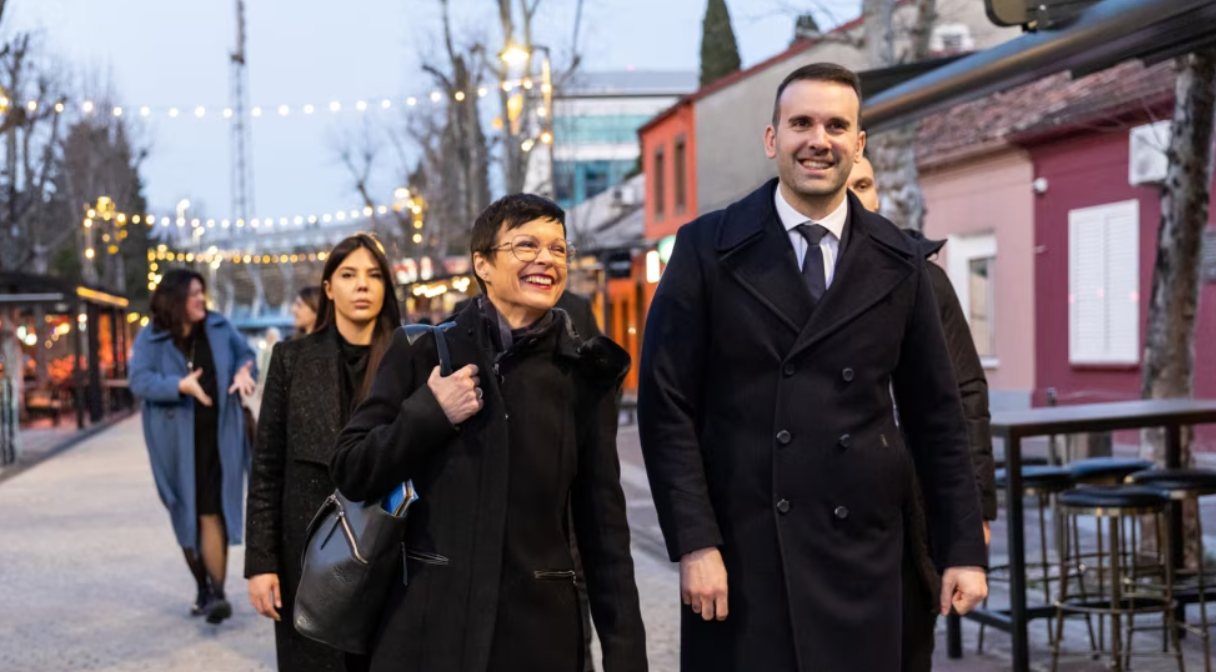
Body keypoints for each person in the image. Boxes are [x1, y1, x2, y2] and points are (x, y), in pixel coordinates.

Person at [637, 62, 988, 672]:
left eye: (835, 125)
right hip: (744, 558)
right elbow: (666, 405)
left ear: (858, 143)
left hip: (868, 556)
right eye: (801, 123)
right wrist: (695, 542)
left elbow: (937, 414)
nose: (817, 140)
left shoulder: (898, 260)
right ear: (773, 139)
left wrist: (961, 549)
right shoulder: (707, 248)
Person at [330, 194, 647, 672]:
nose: (546, 259)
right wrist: (429, 413)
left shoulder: (582, 375)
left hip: (540, 639)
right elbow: (351, 468)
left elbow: (603, 528)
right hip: (426, 635)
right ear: (483, 263)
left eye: (558, 249)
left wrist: (626, 658)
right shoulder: (423, 352)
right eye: (526, 246)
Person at [848, 154, 998, 672]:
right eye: (847, 186)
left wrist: (973, 511)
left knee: (910, 642)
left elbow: (965, 396)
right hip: (829, 509)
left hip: (912, 503)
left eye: (865, 184)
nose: (857, 197)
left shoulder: (924, 279)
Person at [245, 233, 402, 672]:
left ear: (386, 287)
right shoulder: (292, 359)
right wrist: (261, 563)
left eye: (373, 275)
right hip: (309, 554)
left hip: (392, 552)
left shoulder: (411, 358)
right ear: (329, 288)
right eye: (348, 275)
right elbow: (267, 469)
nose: (362, 286)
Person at [129, 269, 258, 624]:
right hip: (175, 443)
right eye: (193, 294)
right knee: (184, 512)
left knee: (211, 510)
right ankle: (202, 586)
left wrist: (245, 371)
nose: (201, 299)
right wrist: (179, 386)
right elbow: (139, 380)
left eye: (202, 293)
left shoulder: (218, 327)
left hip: (219, 437)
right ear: (174, 300)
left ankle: (216, 593)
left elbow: (246, 355)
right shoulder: (151, 338)